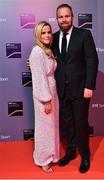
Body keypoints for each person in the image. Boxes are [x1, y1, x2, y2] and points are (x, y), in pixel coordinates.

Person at [51, 4, 99, 173]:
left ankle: (85, 156)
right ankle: (71, 152)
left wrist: (89, 85)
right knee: (68, 123)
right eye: (60, 17)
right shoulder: (54, 38)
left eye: (67, 16)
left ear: (72, 17)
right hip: (61, 90)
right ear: (56, 19)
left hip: (80, 89)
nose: (64, 19)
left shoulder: (84, 35)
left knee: (80, 123)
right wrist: (34, 61)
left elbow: (92, 61)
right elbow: (47, 56)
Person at [29, 21, 59, 173]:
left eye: (48, 32)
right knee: (44, 129)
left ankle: (52, 155)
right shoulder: (37, 52)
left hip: (52, 93)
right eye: (43, 33)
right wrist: (46, 100)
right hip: (44, 96)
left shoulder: (46, 50)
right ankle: (43, 159)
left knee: (51, 127)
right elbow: (39, 79)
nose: (47, 35)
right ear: (37, 34)